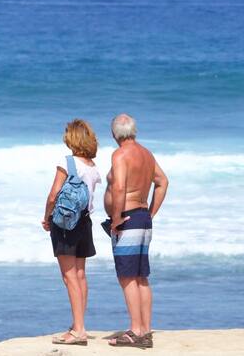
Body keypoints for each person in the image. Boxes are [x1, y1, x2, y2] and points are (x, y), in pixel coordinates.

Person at [103, 113, 168, 349]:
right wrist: (150, 212)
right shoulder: (147, 154)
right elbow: (163, 182)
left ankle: (136, 330)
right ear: (134, 131)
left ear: (113, 134)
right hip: (141, 217)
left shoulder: (120, 154)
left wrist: (117, 218)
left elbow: (119, 186)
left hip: (127, 220)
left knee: (127, 276)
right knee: (140, 276)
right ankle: (145, 330)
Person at [41, 119, 102, 346]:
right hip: (85, 223)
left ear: (72, 138)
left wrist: (47, 217)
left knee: (69, 277)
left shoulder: (66, 162)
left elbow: (53, 195)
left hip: (65, 224)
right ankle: (79, 325)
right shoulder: (93, 167)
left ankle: (78, 330)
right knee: (80, 275)